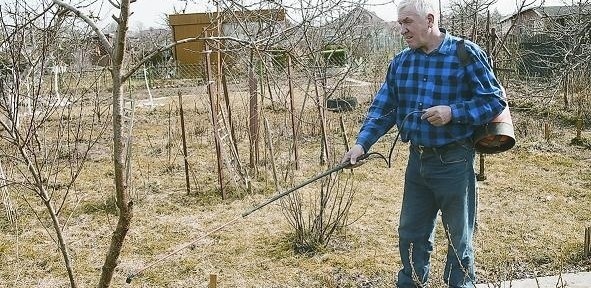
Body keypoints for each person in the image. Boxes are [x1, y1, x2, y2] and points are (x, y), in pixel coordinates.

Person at [341, 0, 506, 287]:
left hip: (455, 162)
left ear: (429, 20)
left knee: (459, 241)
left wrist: (453, 112)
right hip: (417, 164)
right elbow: (384, 110)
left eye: (407, 22)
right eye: (400, 22)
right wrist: (361, 145)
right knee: (411, 236)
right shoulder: (402, 62)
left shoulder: (465, 54)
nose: (401, 29)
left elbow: (494, 101)